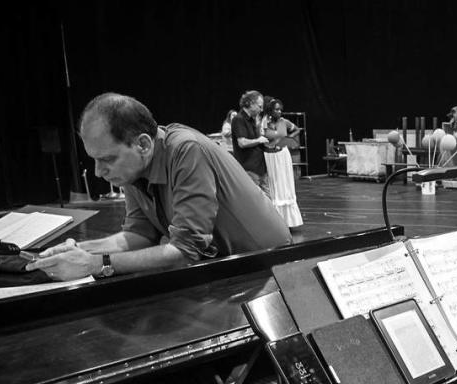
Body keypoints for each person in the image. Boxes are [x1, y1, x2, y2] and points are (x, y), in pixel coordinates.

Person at [27, 93, 290, 281]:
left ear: (143, 144)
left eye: (107, 159)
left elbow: (187, 250)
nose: (98, 171)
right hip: (232, 268)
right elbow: (138, 235)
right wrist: (79, 251)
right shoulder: (134, 168)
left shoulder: (187, 151)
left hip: (272, 270)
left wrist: (96, 263)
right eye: (94, 159)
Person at [261, 97, 304, 229]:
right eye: (276, 109)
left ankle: (289, 221)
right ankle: (275, 222)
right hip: (269, 155)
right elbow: (261, 136)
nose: (279, 112)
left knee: (284, 184)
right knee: (273, 185)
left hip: (282, 155)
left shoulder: (283, 122)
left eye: (280, 109)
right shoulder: (263, 122)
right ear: (270, 110)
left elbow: (297, 129)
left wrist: (290, 138)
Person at [231, 90, 272, 198]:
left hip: (259, 167)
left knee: (267, 201)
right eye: (259, 106)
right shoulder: (238, 119)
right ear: (250, 103)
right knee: (256, 201)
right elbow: (242, 142)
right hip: (250, 168)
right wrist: (259, 140)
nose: (261, 109)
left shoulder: (252, 120)